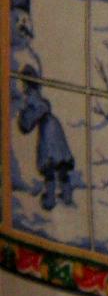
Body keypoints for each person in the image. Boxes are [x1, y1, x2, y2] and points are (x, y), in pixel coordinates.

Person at [16, 64, 75, 210]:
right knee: (60, 162)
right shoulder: (34, 96)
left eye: (24, 83)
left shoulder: (31, 97)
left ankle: (50, 199)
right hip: (53, 127)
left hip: (48, 131)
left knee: (50, 164)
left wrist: (26, 120)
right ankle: (66, 195)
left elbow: (40, 109)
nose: (23, 86)